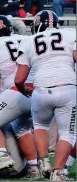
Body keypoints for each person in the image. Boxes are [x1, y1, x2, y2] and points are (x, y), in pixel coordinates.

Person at [15, 10, 76, 181]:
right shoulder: (70, 34)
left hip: (40, 90)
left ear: (36, 24)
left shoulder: (28, 41)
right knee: (67, 133)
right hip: (66, 88)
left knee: (40, 126)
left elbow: (19, 79)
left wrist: (24, 90)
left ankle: (44, 163)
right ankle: (57, 173)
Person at [0, 15, 39, 179]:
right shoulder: (26, 38)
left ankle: (2, 156)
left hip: (17, 91)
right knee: (23, 129)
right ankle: (35, 169)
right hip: (37, 91)